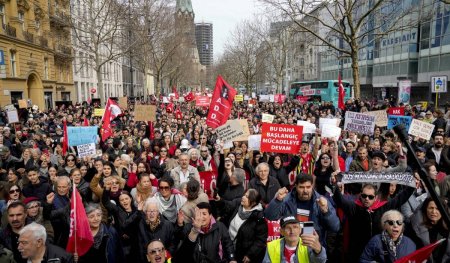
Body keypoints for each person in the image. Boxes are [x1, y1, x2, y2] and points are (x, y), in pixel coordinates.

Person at [332, 183, 415, 263]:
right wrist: (335, 184)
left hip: (378, 251)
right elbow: (339, 200)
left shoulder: (383, 207)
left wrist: (412, 185)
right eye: (364, 196)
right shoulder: (353, 207)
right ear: (360, 195)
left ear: (375, 198)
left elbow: (400, 199)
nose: (366, 199)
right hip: (357, 252)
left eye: (370, 197)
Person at [265, 173, 340, 247]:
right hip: (291, 246)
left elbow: (335, 227)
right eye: (301, 187)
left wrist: (325, 211)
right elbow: (270, 216)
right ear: (296, 186)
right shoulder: (286, 199)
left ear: (312, 186)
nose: (305, 191)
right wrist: (277, 201)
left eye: (308, 187)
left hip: (312, 247)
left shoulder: (321, 201)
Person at [262, 216, 327, 263]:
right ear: (281, 231)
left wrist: (319, 250)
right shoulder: (272, 246)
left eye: (295, 227)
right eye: (288, 228)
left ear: (300, 230)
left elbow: (320, 261)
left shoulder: (308, 244)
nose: (292, 231)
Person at [409, 197, 450, 263]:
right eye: (431, 208)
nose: (434, 212)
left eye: (437, 208)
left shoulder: (447, 228)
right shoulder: (415, 228)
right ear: (425, 209)